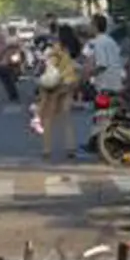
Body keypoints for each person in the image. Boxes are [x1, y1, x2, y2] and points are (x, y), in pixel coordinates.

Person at [36, 25, 81, 163]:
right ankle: (71, 148)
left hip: (57, 83)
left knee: (48, 117)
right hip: (71, 82)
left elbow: (50, 65)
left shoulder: (56, 49)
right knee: (66, 117)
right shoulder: (74, 47)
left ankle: (46, 149)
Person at [81, 13, 124, 93]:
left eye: (90, 25)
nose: (88, 28)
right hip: (116, 81)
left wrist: (88, 75)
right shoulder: (110, 40)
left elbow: (102, 65)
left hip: (105, 84)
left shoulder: (98, 42)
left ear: (95, 26)